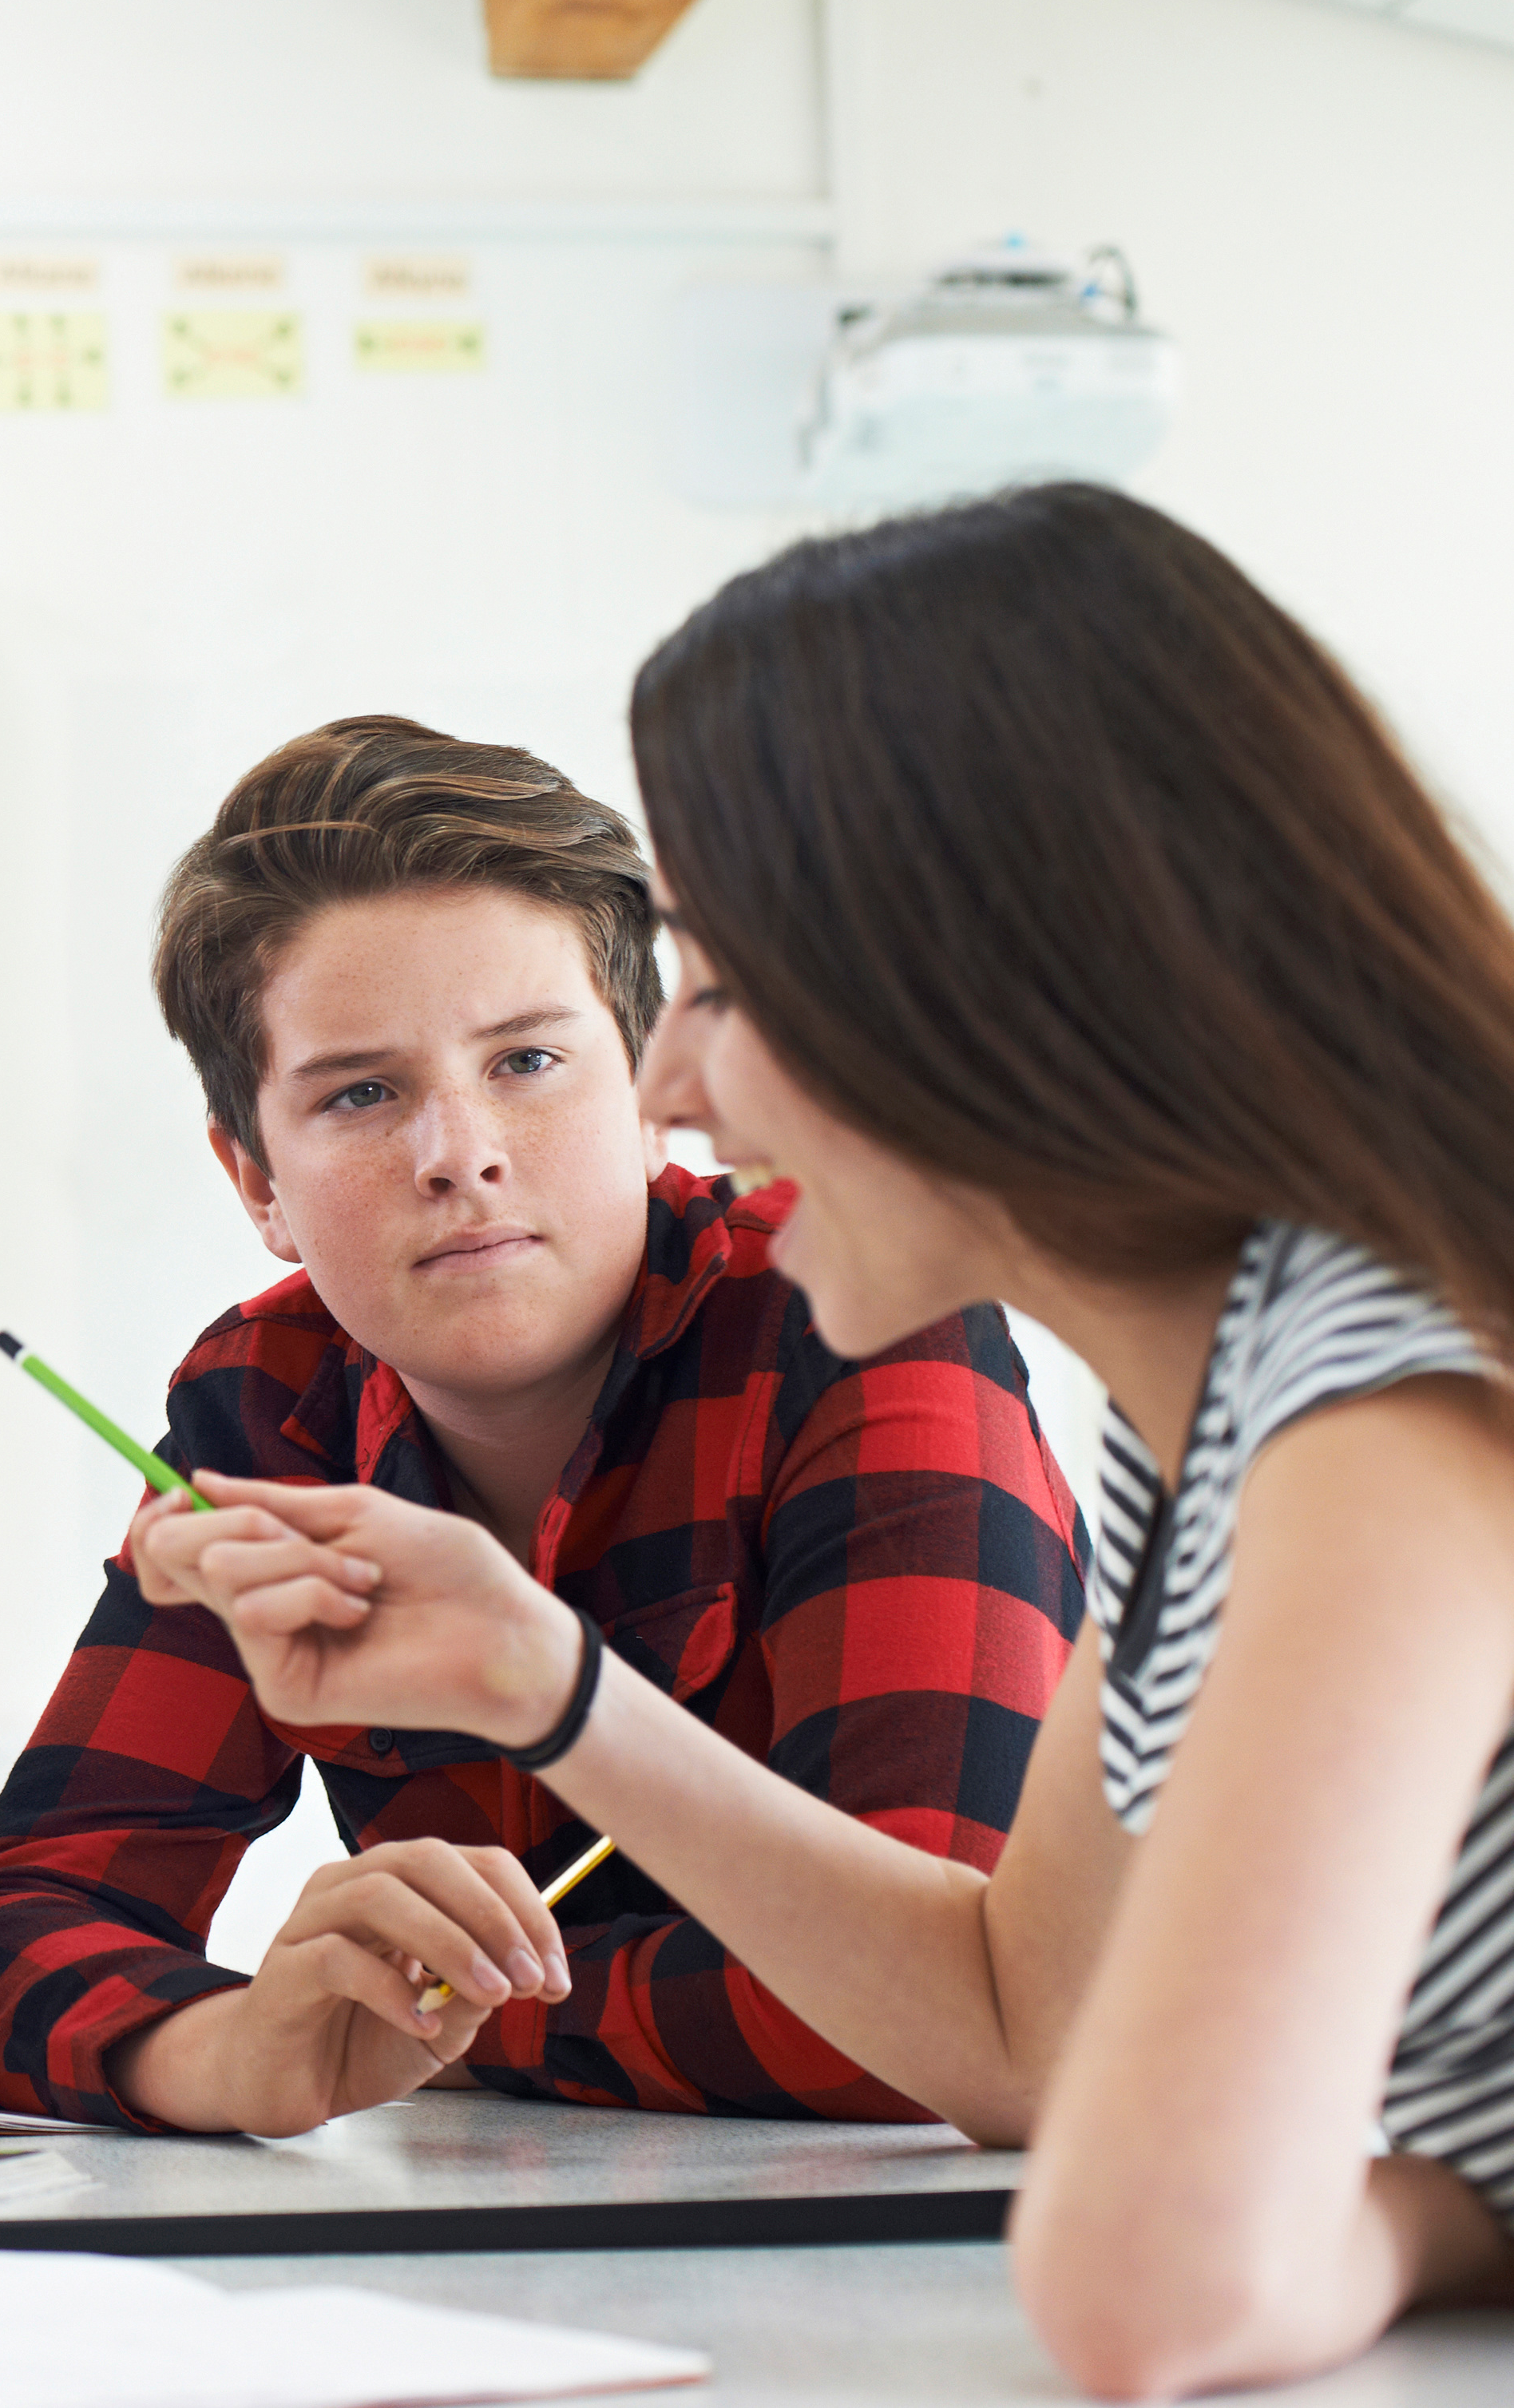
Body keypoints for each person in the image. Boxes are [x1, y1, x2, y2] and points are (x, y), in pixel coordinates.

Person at [137, 489, 1514, 2394]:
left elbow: (1159, 2277)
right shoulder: (1216, 1408)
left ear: (969, 984)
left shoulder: (1382, 1411)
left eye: (717, 982)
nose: (674, 1084)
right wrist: (548, 1685)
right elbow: (1021, 2026)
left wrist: (1457, 2199)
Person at [0, 716, 1088, 2138]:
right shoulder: (265, 1400)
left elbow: (934, 2012)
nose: (459, 1154)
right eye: (361, 1094)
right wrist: (244, 2054)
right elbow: (11, 1931)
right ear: (255, 1180)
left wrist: (440, 2019)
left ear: (653, 1087)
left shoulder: (854, 1306)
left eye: (528, 1062)